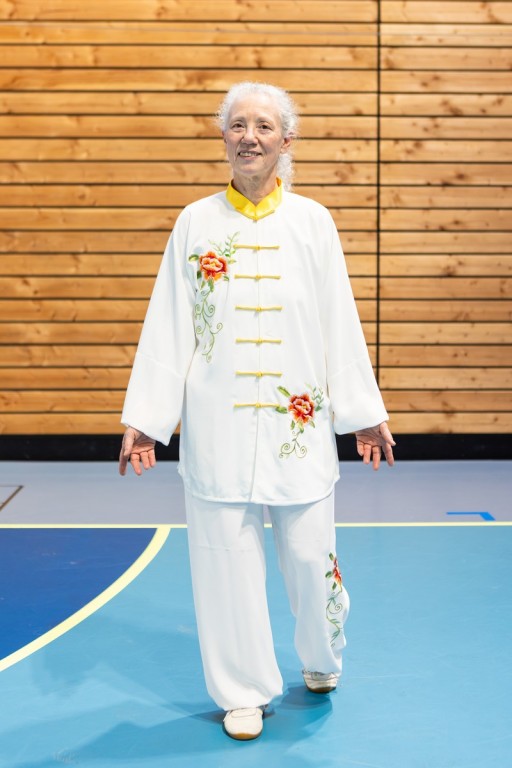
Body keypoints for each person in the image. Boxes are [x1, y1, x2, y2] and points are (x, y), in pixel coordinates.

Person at [119, 81, 395, 741]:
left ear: (286, 141)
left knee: (310, 557)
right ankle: (243, 690)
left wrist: (362, 411)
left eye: (264, 126)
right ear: (224, 137)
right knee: (225, 561)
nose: (250, 136)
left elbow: (339, 322)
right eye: (238, 124)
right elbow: (168, 325)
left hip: (298, 425)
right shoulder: (194, 223)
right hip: (217, 424)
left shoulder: (314, 222)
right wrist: (147, 420)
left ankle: (322, 653)